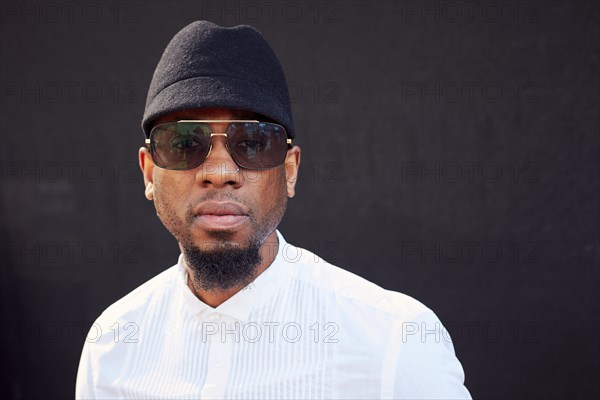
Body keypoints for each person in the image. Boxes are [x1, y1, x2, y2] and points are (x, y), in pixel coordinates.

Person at [75, 20, 471, 399]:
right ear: (148, 172)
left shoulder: (393, 341)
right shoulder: (113, 346)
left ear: (290, 171)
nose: (218, 172)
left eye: (251, 143)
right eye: (182, 143)